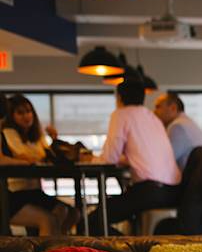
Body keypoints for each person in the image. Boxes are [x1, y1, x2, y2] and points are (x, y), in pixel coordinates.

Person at [86, 79, 181, 234]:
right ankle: (132, 241)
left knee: (92, 221)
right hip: (174, 191)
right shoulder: (152, 117)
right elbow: (144, 153)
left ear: (119, 98)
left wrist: (90, 159)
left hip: (150, 192)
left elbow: (109, 159)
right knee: (117, 211)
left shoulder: (121, 114)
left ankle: (128, 246)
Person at [0, 94, 79, 235]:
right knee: (48, 220)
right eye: (20, 113)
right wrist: (29, 159)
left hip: (33, 190)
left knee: (69, 212)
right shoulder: (7, 132)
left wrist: (53, 140)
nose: (26, 116)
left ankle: (53, 244)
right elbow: (22, 156)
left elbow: (45, 155)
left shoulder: (35, 134)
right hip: (15, 191)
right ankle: (46, 247)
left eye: (28, 111)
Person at [153, 91, 202, 170]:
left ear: (173, 108)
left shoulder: (177, 127)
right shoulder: (187, 123)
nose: (154, 111)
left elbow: (164, 161)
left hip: (186, 177)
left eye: (158, 107)